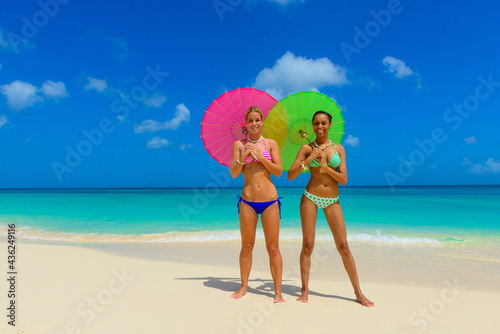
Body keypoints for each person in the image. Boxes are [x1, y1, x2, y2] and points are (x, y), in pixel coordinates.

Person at [287, 111, 374, 307]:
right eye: (316, 123)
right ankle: (304, 290)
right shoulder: (306, 148)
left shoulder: (339, 149)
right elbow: (290, 175)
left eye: (323, 123)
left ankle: (359, 293)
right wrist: (309, 160)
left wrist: (326, 168)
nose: (320, 127)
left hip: (332, 199)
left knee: (343, 246)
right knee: (308, 245)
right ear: (313, 126)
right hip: (310, 196)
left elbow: (344, 180)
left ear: (329, 125)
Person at [229, 106, 285, 303]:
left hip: (270, 201)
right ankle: (244, 286)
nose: (254, 123)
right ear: (246, 124)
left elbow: (278, 171)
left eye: (257, 120)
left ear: (262, 122)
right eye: (250, 120)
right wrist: (243, 157)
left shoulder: (270, 144)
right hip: (248, 202)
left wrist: (261, 157)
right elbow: (234, 173)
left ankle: (277, 292)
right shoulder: (239, 144)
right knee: (247, 246)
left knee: (273, 247)